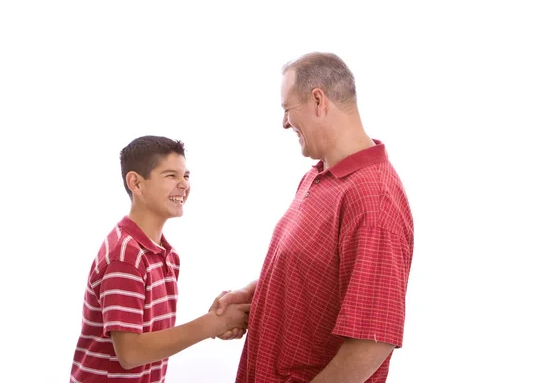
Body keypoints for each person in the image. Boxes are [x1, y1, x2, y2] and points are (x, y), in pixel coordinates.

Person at [211, 53, 414, 383]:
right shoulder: (319, 177)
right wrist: (254, 296)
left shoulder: (373, 197)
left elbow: (371, 343)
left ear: (318, 100)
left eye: (287, 109)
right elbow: (315, 273)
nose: (284, 123)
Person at [70, 135, 250, 382]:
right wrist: (211, 325)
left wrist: (217, 321)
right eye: (171, 176)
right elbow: (131, 353)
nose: (184, 185)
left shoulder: (167, 255)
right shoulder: (124, 257)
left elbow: (153, 339)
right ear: (136, 183)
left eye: (186, 176)